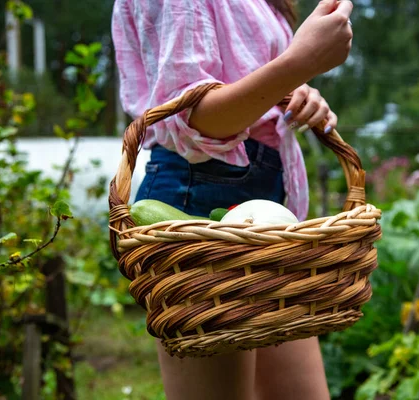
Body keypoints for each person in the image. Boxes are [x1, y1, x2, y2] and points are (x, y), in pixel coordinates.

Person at [112, 0, 353, 399]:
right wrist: (300, 62)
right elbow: (192, 115)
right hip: (198, 201)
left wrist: (298, 94)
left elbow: (251, 85)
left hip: (266, 212)